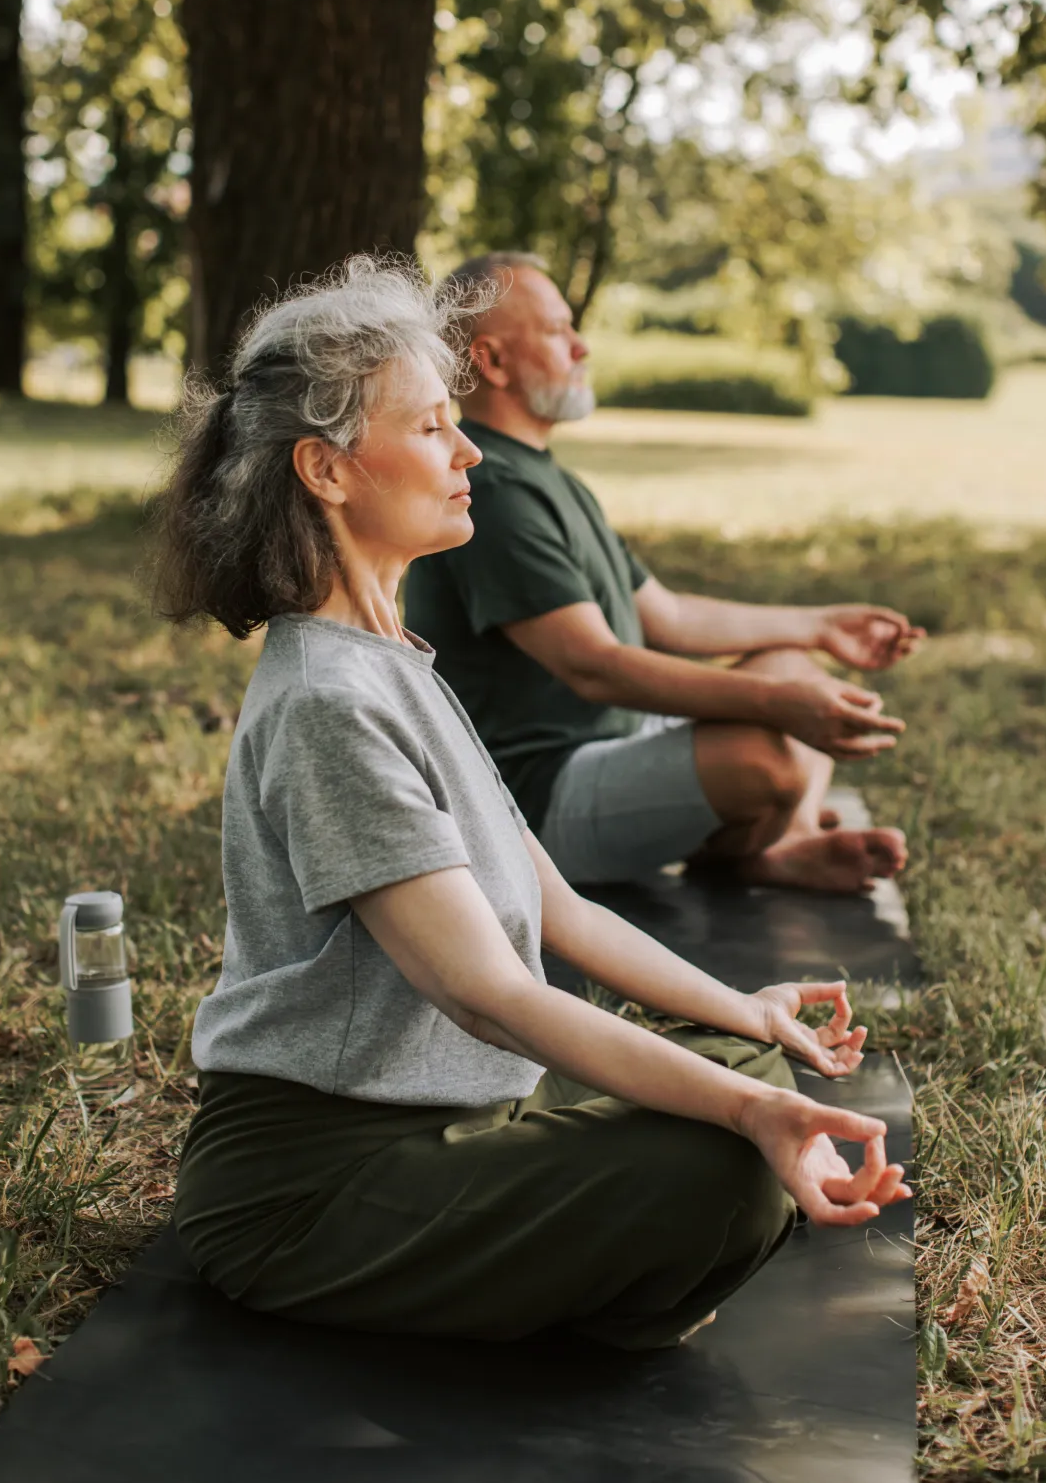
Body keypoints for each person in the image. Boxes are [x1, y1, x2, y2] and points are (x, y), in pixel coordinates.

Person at [154, 256, 909, 1352]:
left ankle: (576, 1260)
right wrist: (749, 1115)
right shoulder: (327, 700)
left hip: (465, 1114)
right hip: (313, 1183)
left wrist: (748, 1013)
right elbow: (490, 994)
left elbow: (563, 910)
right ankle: (576, 1276)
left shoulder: (394, 661)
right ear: (325, 467)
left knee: (743, 1067)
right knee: (727, 1161)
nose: (467, 453)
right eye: (428, 429)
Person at [404, 253, 925, 893]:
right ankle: (763, 842)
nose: (581, 346)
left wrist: (819, 627)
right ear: (494, 362)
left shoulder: (547, 478)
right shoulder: (495, 490)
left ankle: (780, 846)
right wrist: (780, 706)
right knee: (768, 757)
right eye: (557, 331)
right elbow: (593, 666)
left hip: (614, 744)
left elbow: (668, 617)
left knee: (793, 666)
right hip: (532, 801)